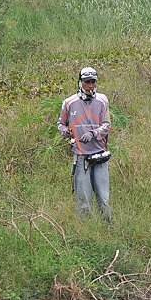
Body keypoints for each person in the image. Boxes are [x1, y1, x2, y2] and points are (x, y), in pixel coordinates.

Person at [57, 66, 113, 222]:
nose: (90, 86)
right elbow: (61, 123)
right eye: (87, 82)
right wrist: (64, 132)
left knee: (103, 198)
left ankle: (107, 227)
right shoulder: (69, 102)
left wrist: (93, 133)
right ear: (80, 82)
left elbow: (107, 125)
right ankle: (87, 230)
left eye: (93, 82)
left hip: (99, 154)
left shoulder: (102, 100)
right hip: (81, 155)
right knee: (83, 200)